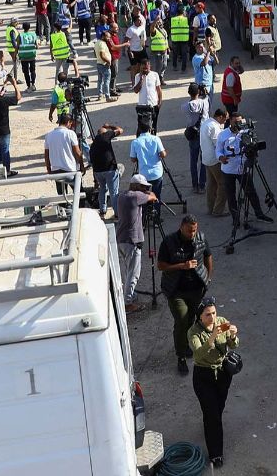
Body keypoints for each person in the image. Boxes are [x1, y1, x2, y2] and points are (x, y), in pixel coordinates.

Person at [156, 215, 214, 375]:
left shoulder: (201, 238)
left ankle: (186, 346)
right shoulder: (169, 242)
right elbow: (161, 266)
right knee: (181, 320)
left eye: (194, 230)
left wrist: (208, 278)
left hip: (196, 289)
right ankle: (181, 356)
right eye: (189, 231)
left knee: (192, 320)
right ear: (181, 227)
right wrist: (182, 265)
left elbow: (208, 256)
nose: (192, 234)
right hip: (176, 291)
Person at [188, 295, 238, 469]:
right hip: (204, 377)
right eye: (208, 314)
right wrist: (211, 338)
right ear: (200, 316)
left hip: (223, 374)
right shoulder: (193, 332)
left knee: (218, 408)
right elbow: (198, 354)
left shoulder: (222, 322)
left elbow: (233, 345)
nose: (212, 318)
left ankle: (211, 427)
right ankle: (216, 454)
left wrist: (232, 335)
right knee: (212, 416)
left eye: (214, 313)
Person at [217, 112, 274, 231]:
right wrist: (221, 157)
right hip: (228, 170)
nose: (238, 124)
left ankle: (259, 213)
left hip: (243, 167)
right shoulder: (222, 135)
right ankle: (236, 219)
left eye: (240, 122)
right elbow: (218, 151)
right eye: (236, 121)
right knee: (231, 195)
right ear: (230, 121)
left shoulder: (245, 133)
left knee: (251, 191)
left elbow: (254, 144)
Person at [115, 174, 158, 313]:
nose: (145, 189)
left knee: (128, 270)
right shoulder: (135, 197)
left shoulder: (123, 195)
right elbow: (153, 196)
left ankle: (130, 295)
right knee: (134, 274)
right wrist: (148, 192)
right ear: (137, 187)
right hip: (131, 241)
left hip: (121, 239)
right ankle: (127, 303)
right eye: (143, 187)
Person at [44, 113, 85, 196]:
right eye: (71, 123)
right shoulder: (70, 133)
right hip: (70, 170)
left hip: (56, 172)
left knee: (62, 196)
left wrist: (49, 169)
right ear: (68, 122)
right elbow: (77, 152)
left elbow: (46, 155)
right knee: (79, 193)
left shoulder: (49, 135)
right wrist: (82, 165)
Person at [89, 123, 124, 219]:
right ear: (104, 133)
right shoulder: (105, 136)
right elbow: (120, 130)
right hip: (109, 170)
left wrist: (95, 181)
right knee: (114, 192)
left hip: (98, 172)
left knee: (102, 190)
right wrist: (109, 126)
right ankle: (117, 213)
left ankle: (102, 210)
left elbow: (92, 162)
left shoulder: (92, 145)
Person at [200, 108, 229, 217]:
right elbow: (219, 144)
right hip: (214, 160)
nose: (225, 122)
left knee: (211, 184)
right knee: (222, 184)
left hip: (206, 158)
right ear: (220, 117)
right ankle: (218, 210)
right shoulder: (214, 127)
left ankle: (211, 208)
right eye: (225, 119)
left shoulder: (206, 123)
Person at [183, 84, 210, 193]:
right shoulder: (204, 102)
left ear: (189, 93)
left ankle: (195, 185)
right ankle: (202, 184)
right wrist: (205, 93)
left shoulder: (185, 106)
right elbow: (208, 99)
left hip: (192, 134)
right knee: (203, 160)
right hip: (203, 134)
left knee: (193, 160)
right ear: (199, 92)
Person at [130, 120, 167, 198]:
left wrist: (139, 156)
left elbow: (133, 159)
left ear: (139, 129)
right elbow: (163, 154)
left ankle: (145, 209)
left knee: (143, 197)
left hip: (143, 175)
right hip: (156, 173)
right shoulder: (156, 139)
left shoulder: (135, 142)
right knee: (156, 196)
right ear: (150, 128)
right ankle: (156, 209)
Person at [133, 58, 163, 133]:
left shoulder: (155, 75)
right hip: (142, 106)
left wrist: (159, 102)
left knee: (153, 126)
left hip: (153, 105)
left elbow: (159, 90)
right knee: (141, 126)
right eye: (143, 68)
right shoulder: (137, 76)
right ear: (140, 67)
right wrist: (141, 80)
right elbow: (136, 91)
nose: (145, 70)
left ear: (150, 66)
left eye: (146, 68)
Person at [17, 21, 39, 90]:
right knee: (32, 70)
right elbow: (37, 46)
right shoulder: (33, 34)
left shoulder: (20, 35)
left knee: (26, 71)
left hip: (23, 56)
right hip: (32, 55)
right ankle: (33, 84)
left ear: (23, 28)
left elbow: (17, 46)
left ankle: (28, 86)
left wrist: (15, 54)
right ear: (29, 27)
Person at [126, 14, 148, 81]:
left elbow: (143, 40)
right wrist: (129, 51)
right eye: (139, 21)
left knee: (144, 66)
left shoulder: (142, 28)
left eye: (141, 20)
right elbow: (127, 41)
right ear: (134, 22)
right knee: (134, 68)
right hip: (133, 51)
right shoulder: (131, 29)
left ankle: (140, 80)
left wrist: (144, 48)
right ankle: (133, 83)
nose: (140, 22)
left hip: (141, 50)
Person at [93, 30, 115, 101]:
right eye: (108, 37)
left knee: (100, 81)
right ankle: (107, 97)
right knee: (106, 81)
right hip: (104, 64)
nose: (109, 38)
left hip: (99, 63)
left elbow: (95, 53)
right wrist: (108, 61)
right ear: (103, 36)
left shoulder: (97, 43)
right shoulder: (102, 44)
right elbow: (102, 55)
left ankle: (99, 95)